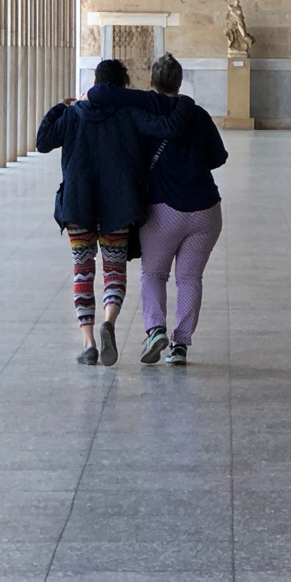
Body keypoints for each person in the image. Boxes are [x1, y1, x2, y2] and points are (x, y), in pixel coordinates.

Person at [36, 59, 194, 366]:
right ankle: (109, 320)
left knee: (83, 270)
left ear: (95, 84)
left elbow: (43, 142)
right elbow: (163, 129)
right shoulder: (129, 114)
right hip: (117, 207)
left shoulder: (73, 115)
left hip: (78, 206)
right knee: (114, 270)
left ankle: (88, 343)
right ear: (121, 87)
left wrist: (60, 107)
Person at [136, 53, 228, 367]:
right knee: (189, 279)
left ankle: (155, 329)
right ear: (180, 82)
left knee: (153, 275)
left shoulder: (147, 116)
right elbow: (218, 157)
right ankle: (180, 346)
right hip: (205, 211)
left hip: (163, 212)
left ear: (152, 82)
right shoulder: (198, 115)